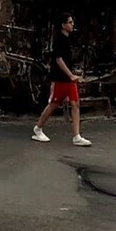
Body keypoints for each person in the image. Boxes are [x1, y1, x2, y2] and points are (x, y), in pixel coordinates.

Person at [32, 13, 91, 147]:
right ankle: (38, 128)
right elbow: (59, 60)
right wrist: (70, 75)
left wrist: (72, 76)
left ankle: (77, 136)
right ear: (63, 25)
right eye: (70, 22)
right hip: (59, 79)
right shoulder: (59, 40)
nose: (72, 24)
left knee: (75, 104)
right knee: (53, 104)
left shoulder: (67, 38)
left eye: (72, 22)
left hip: (68, 81)